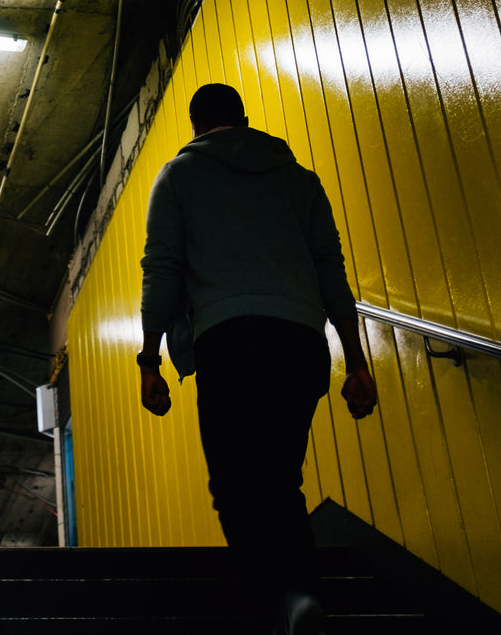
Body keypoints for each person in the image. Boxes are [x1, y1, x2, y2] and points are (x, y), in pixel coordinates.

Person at [138, 83, 377, 635]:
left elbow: (163, 271)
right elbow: (332, 275)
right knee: (280, 476)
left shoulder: (179, 177)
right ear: (244, 120)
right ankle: (302, 594)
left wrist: (150, 360)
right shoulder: (300, 180)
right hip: (301, 343)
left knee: (236, 481)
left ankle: (278, 601)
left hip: (230, 341)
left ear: (195, 127)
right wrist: (357, 362)